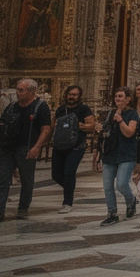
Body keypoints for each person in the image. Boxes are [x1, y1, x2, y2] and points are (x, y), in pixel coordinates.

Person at [0, 78, 50, 224]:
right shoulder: (12, 106)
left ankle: (23, 208)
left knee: (26, 180)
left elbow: (45, 129)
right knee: (2, 180)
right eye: (17, 89)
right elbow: (3, 125)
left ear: (32, 92)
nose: (17, 93)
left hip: (26, 147)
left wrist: (37, 147)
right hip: (7, 148)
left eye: (21, 90)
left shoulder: (40, 106)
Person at [94, 86, 140, 225]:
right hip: (110, 154)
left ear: (128, 99)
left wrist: (120, 120)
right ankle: (112, 213)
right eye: (116, 96)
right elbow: (104, 134)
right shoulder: (110, 114)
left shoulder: (132, 114)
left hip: (126, 153)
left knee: (121, 184)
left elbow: (129, 132)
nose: (117, 99)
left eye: (120, 96)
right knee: (108, 186)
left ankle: (131, 200)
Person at [50, 84, 96, 214]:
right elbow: (53, 125)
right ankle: (69, 188)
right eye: (70, 94)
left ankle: (67, 202)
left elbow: (91, 125)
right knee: (56, 174)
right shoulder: (60, 109)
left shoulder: (84, 109)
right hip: (60, 145)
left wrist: (81, 126)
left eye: (74, 94)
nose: (71, 97)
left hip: (77, 145)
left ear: (79, 96)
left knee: (69, 171)